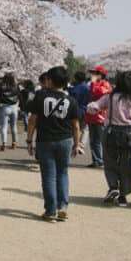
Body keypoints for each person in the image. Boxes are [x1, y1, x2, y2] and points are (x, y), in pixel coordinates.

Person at [27, 66, 84, 222]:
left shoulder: (40, 96)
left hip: (45, 140)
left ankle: (50, 210)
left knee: (48, 176)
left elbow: (32, 120)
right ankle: (63, 206)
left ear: (49, 80)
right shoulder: (71, 100)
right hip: (65, 140)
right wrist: (77, 144)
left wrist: (29, 139)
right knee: (63, 173)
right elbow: (76, 125)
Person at [88, 72, 131, 207]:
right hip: (129, 134)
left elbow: (92, 108)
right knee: (126, 165)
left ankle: (113, 186)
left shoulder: (109, 97)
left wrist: (97, 110)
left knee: (110, 162)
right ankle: (123, 197)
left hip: (110, 132)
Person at [83, 66, 112, 168]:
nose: (93, 75)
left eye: (96, 73)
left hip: (101, 117)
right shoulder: (92, 83)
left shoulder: (106, 84)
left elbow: (99, 93)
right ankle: (96, 160)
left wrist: (93, 83)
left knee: (102, 140)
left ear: (101, 74)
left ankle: (105, 161)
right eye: (93, 73)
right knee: (93, 140)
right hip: (91, 115)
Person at [0, 73, 20, 151]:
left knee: (3, 126)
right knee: (14, 126)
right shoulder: (16, 86)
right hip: (14, 107)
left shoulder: (1, 86)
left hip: (4, 107)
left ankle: (4, 144)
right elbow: (19, 95)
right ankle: (14, 143)